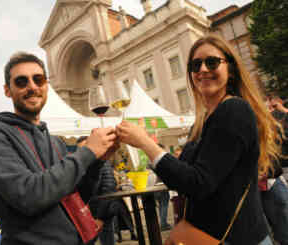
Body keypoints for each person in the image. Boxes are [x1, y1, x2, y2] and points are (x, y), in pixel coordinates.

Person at [116, 34, 283, 244]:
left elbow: (198, 183)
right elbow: (182, 177)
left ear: (230, 70)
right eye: (196, 65)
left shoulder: (234, 109)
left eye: (212, 62)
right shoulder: (202, 120)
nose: (203, 69)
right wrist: (152, 143)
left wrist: (145, 144)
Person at [0, 52, 118, 245]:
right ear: (7, 90)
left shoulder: (55, 142)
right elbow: (29, 196)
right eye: (21, 81)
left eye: (38, 79)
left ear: (46, 86)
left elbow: (76, 196)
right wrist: (87, 153)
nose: (32, 87)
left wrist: (97, 161)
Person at [76, 136, 117, 245]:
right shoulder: (82, 166)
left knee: (107, 241)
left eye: (85, 148)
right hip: (88, 214)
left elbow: (108, 190)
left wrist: (101, 217)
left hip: (102, 213)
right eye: (80, 150)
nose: (83, 152)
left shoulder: (102, 163)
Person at [259, 95, 288, 245]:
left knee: (284, 229)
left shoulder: (271, 125)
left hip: (272, 182)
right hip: (252, 189)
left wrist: (283, 110)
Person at [154, 144, 172, 231]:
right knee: (164, 205)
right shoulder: (160, 160)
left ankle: (162, 222)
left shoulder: (150, 160)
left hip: (153, 188)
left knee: (161, 205)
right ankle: (163, 224)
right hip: (161, 186)